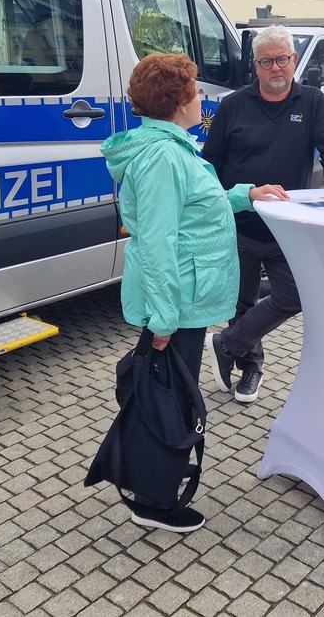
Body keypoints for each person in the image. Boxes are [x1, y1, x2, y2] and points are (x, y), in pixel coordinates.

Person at [101, 53, 286, 533]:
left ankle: (153, 481)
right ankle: (155, 501)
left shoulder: (169, 147)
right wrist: (162, 320)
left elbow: (193, 206)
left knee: (167, 394)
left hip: (183, 298)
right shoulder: (163, 155)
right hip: (176, 304)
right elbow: (160, 242)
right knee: (171, 400)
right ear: (177, 99)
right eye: (196, 92)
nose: (202, 99)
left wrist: (246, 194)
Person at [202, 25, 324, 403]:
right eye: (267, 61)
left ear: (294, 60)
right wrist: (217, 202)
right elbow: (211, 163)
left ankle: (227, 343)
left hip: (288, 227)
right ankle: (250, 368)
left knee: (293, 297)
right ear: (255, 64)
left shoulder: (312, 101)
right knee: (241, 302)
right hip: (241, 224)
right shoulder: (233, 104)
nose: (276, 68)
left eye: (282, 59)